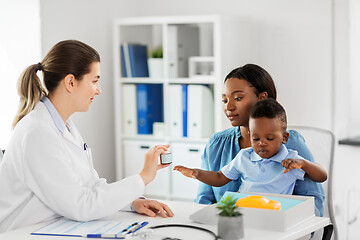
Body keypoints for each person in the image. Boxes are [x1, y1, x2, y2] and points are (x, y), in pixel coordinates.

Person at [0, 40, 173, 232]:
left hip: (54, 227)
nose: (99, 90)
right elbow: (81, 205)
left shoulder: (64, 125)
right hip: (20, 233)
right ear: (71, 82)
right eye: (95, 80)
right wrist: (143, 178)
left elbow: (90, 186)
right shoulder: (37, 132)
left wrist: (132, 202)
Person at [191, 64, 326, 217]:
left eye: (238, 98)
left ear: (262, 98)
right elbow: (204, 200)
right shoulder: (217, 144)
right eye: (224, 100)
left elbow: (313, 203)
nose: (229, 106)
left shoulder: (290, 143)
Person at [174, 99, 327, 196]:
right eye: (256, 138)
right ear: (249, 134)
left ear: (284, 138)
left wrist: (304, 164)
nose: (262, 143)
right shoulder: (244, 156)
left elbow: (322, 176)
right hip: (243, 213)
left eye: (270, 138)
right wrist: (196, 173)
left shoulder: (291, 161)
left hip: (274, 216)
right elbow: (220, 178)